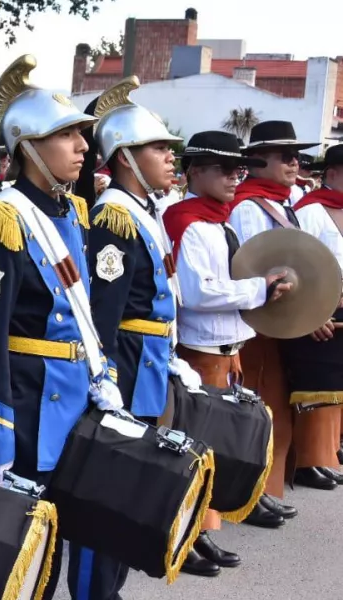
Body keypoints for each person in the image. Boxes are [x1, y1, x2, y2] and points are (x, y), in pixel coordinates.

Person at [0, 54, 125, 600]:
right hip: (29, 410)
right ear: (27, 145)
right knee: (26, 569)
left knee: (80, 544)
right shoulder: (3, 223)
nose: (84, 147)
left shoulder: (71, 214)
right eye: (68, 136)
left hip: (77, 398)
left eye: (83, 135)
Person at [79, 80, 239, 577]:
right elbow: (104, 315)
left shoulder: (143, 212)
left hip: (147, 361)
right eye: (159, 149)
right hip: (123, 364)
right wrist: (102, 375)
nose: (172, 158)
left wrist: (169, 356)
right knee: (109, 491)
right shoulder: (115, 218)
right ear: (125, 157)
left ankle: (112, 585)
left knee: (131, 491)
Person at [163, 130, 294, 538]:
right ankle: (190, 532)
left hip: (226, 346)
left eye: (239, 168)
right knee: (197, 447)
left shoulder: (218, 221)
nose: (235, 177)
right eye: (224, 169)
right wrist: (260, 288)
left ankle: (205, 526)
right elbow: (197, 290)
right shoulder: (188, 222)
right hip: (200, 349)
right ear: (194, 172)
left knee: (217, 445)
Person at [230, 120, 339, 497]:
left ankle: (270, 486)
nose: (295, 164)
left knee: (277, 406)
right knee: (262, 407)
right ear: (258, 161)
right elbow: (257, 270)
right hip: (262, 321)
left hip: (282, 316)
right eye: (285, 157)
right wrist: (308, 316)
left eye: (297, 157)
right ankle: (253, 493)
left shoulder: (281, 202)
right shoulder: (247, 207)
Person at [283, 144, 343, 485]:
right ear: (331, 174)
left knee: (334, 387)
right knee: (314, 386)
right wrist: (310, 314)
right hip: (320, 306)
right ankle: (306, 461)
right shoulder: (310, 211)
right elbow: (298, 266)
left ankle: (324, 454)